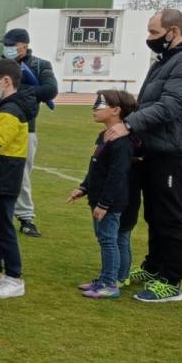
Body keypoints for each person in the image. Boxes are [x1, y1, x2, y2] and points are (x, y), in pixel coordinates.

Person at [103, 8, 182, 303]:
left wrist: (128, 125)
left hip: (174, 153)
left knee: (171, 216)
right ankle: (154, 267)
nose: (149, 38)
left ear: (173, 32)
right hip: (155, 150)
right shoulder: (165, 61)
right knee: (154, 214)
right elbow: (147, 102)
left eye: (154, 32)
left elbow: (171, 106)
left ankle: (171, 280)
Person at [0, 28, 58, 237]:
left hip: (26, 127)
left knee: (21, 173)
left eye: (11, 44)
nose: (7, 48)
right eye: (6, 44)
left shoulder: (39, 65)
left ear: (24, 45)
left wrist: (17, 93)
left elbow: (50, 89)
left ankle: (26, 217)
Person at [69, 90, 139, 299]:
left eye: (100, 105)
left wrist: (104, 204)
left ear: (116, 110)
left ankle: (110, 283)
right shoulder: (104, 136)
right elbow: (96, 167)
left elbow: (117, 176)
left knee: (109, 240)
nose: (94, 109)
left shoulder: (122, 143)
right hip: (100, 197)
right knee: (109, 239)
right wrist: (83, 188)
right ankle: (109, 278)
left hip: (109, 201)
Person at [0, 59, 37, 299]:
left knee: (2, 226)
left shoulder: (12, 110)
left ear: (6, 81)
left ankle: (14, 277)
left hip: (5, 177)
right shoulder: (2, 106)